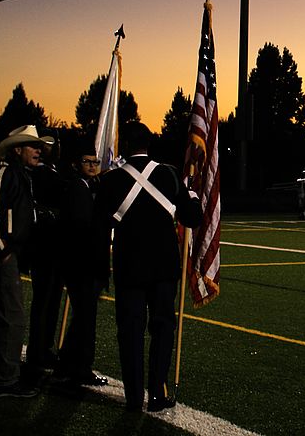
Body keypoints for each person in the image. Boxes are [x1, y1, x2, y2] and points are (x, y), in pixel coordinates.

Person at [96, 122, 202, 412]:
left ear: (126, 146)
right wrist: (191, 197)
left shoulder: (111, 180)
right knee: (163, 328)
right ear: (149, 144)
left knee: (130, 332)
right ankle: (157, 393)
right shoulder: (168, 174)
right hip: (164, 266)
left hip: (129, 266)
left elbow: (100, 224)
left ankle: (133, 397)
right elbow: (192, 218)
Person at [0, 125, 52, 398]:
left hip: (4, 253)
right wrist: (2, 250)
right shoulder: (5, 173)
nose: (39, 150)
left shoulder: (17, 174)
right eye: (33, 146)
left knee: (3, 317)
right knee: (14, 318)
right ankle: (6, 380)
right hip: (0, 255)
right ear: (17, 149)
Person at [54, 145, 109, 389]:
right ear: (78, 164)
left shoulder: (88, 187)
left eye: (95, 161)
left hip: (83, 263)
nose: (92, 165)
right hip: (83, 264)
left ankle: (66, 364)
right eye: (87, 161)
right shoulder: (78, 187)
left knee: (82, 319)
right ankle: (80, 368)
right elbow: (82, 224)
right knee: (85, 320)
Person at [25, 136, 67, 381]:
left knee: (50, 302)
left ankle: (43, 347)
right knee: (44, 302)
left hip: (51, 248)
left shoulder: (49, 173)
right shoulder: (42, 175)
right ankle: (38, 351)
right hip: (45, 248)